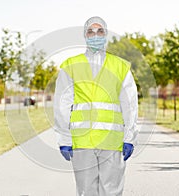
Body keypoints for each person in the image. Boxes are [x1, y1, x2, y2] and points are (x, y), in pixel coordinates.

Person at [53, 16, 138, 196]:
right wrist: (64, 139)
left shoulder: (120, 66)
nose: (95, 35)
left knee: (112, 191)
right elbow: (62, 104)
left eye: (100, 31)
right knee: (86, 191)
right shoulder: (71, 66)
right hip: (82, 141)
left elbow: (129, 104)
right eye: (91, 31)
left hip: (112, 140)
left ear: (106, 34)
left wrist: (129, 137)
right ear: (85, 35)